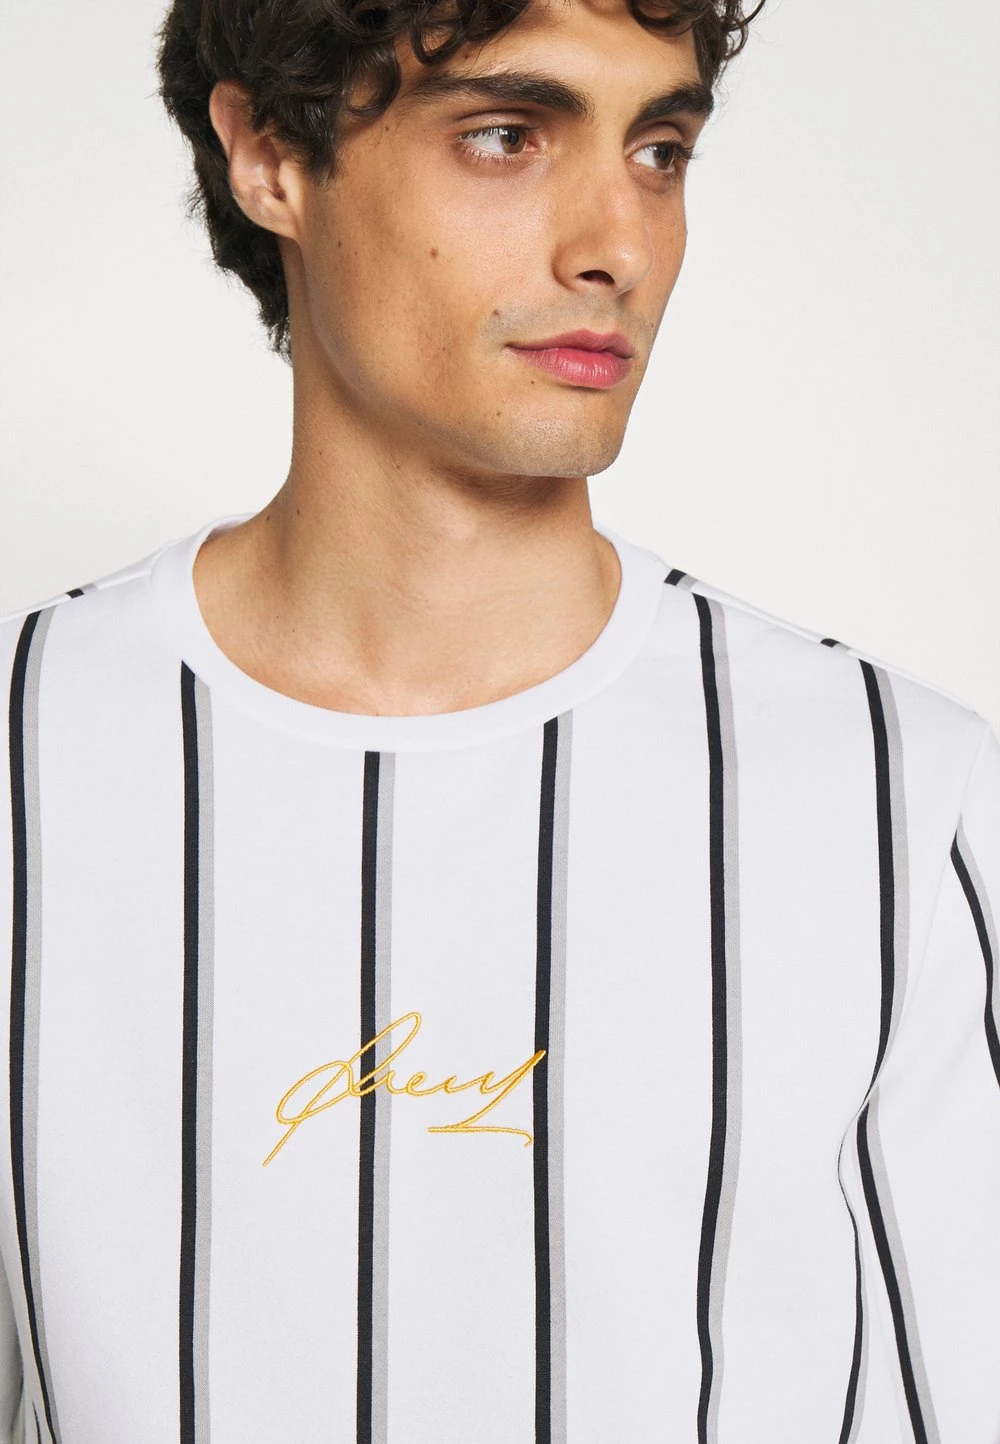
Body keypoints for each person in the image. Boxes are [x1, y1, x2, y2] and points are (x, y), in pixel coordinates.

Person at [1, 0, 997, 1437]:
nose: (617, 244)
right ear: (270, 155)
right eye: (505, 136)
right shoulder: (26, 756)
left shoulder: (902, 800)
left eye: (659, 151)